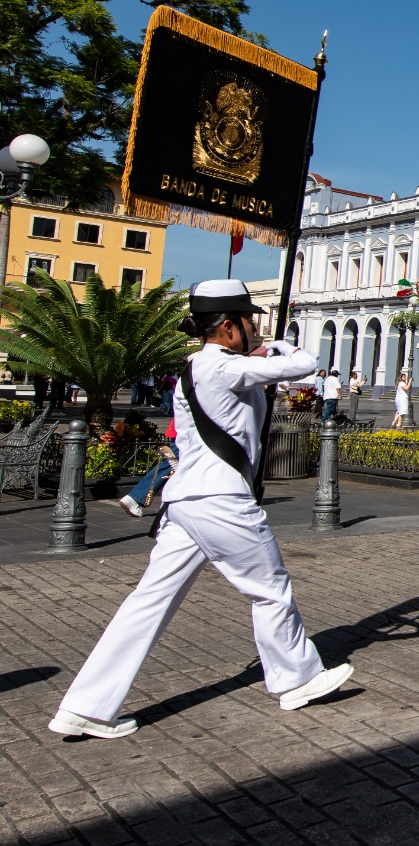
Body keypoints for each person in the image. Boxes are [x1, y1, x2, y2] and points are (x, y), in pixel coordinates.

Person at [49, 280, 352, 739]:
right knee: (269, 590)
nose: (255, 329)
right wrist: (275, 350)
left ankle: (87, 706)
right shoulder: (223, 368)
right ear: (229, 328)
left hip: (186, 502)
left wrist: (258, 356)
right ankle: (298, 679)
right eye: (249, 322)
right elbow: (307, 364)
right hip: (221, 501)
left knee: (148, 603)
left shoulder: (203, 365)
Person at [118, 418, 178, 518]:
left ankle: (136, 497)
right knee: (172, 464)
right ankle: (136, 497)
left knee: (174, 464)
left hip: (186, 429)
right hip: (192, 431)